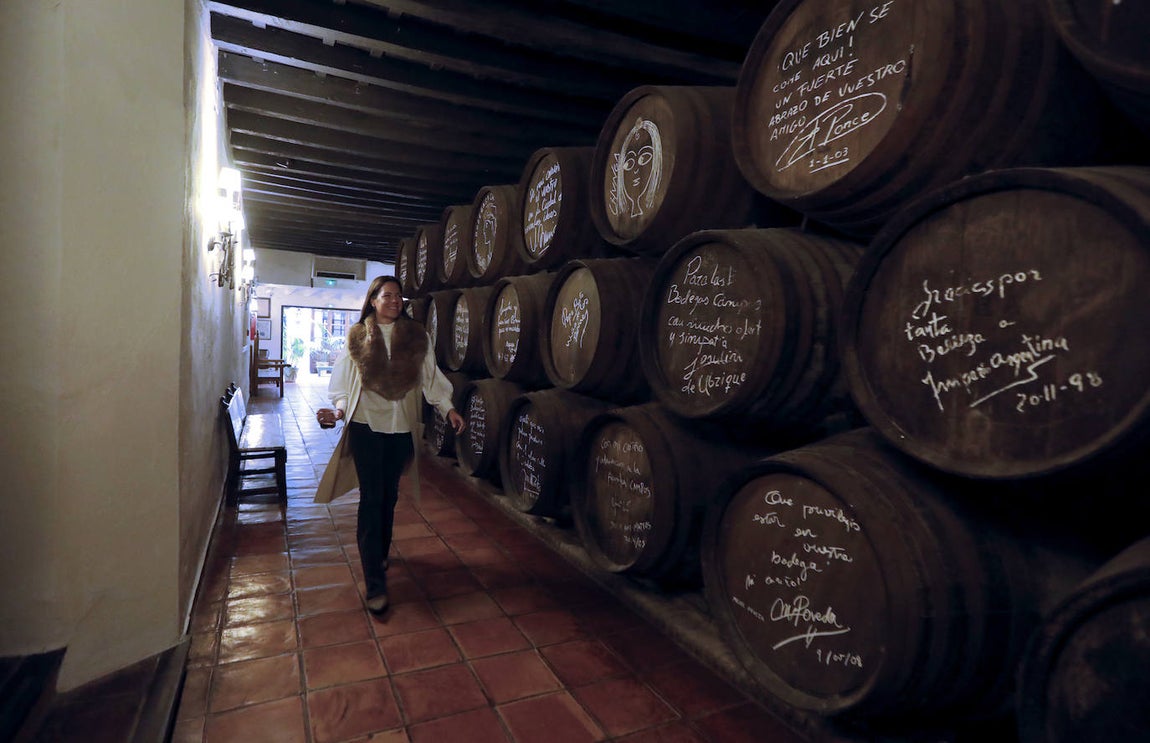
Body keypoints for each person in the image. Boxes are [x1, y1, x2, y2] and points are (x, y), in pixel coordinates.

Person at [314, 275, 465, 615]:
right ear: (373, 300)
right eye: (388, 295)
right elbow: (341, 385)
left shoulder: (416, 337)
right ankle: (375, 583)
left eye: (399, 296)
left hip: (401, 431)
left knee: (390, 496)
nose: (395, 301)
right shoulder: (357, 338)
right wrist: (337, 413)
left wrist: (448, 408)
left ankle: (380, 553)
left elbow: (431, 379)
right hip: (367, 427)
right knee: (372, 498)